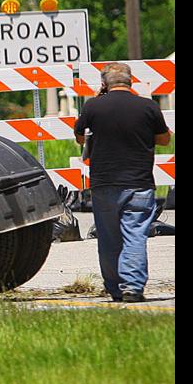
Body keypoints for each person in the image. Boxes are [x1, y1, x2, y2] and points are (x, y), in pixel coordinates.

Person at [75, 62, 173, 303]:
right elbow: (164, 139)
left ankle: (115, 288)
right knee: (135, 235)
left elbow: (79, 136)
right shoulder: (147, 107)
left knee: (109, 238)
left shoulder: (93, 107)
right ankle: (132, 286)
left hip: (104, 183)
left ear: (104, 83)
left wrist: (98, 99)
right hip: (139, 183)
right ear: (130, 81)